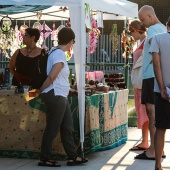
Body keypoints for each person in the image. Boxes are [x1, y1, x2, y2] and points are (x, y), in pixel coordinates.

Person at [38, 27, 88, 167]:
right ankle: (45, 158)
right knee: (53, 127)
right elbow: (53, 76)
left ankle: (72, 156)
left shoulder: (54, 51)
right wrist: (42, 89)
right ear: (71, 40)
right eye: (73, 42)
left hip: (60, 94)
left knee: (67, 126)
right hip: (56, 94)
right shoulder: (59, 54)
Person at [135, 5, 166, 160]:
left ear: (149, 16)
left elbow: (155, 50)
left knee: (152, 114)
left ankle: (153, 150)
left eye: (142, 19)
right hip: (159, 76)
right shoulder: (163, 28)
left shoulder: (153, 30)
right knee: (158, 114)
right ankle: (159, 149)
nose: (142, 23)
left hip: (150, 75)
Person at [149, 17, 170, 170]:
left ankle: (158, 164)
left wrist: (162, 87)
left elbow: (156, 64)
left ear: (167, 25)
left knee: (160, 127)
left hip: (161, 90)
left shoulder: (157, 39)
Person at [128, 20, 149, 151]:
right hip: (139, 84)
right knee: (143, 113)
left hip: (143, 83)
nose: (131, 35)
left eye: (131, 32)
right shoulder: (142, 42)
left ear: (136, 30)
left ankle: (148, 142)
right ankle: (145, 141)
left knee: (147, 113)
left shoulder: (146, 42)